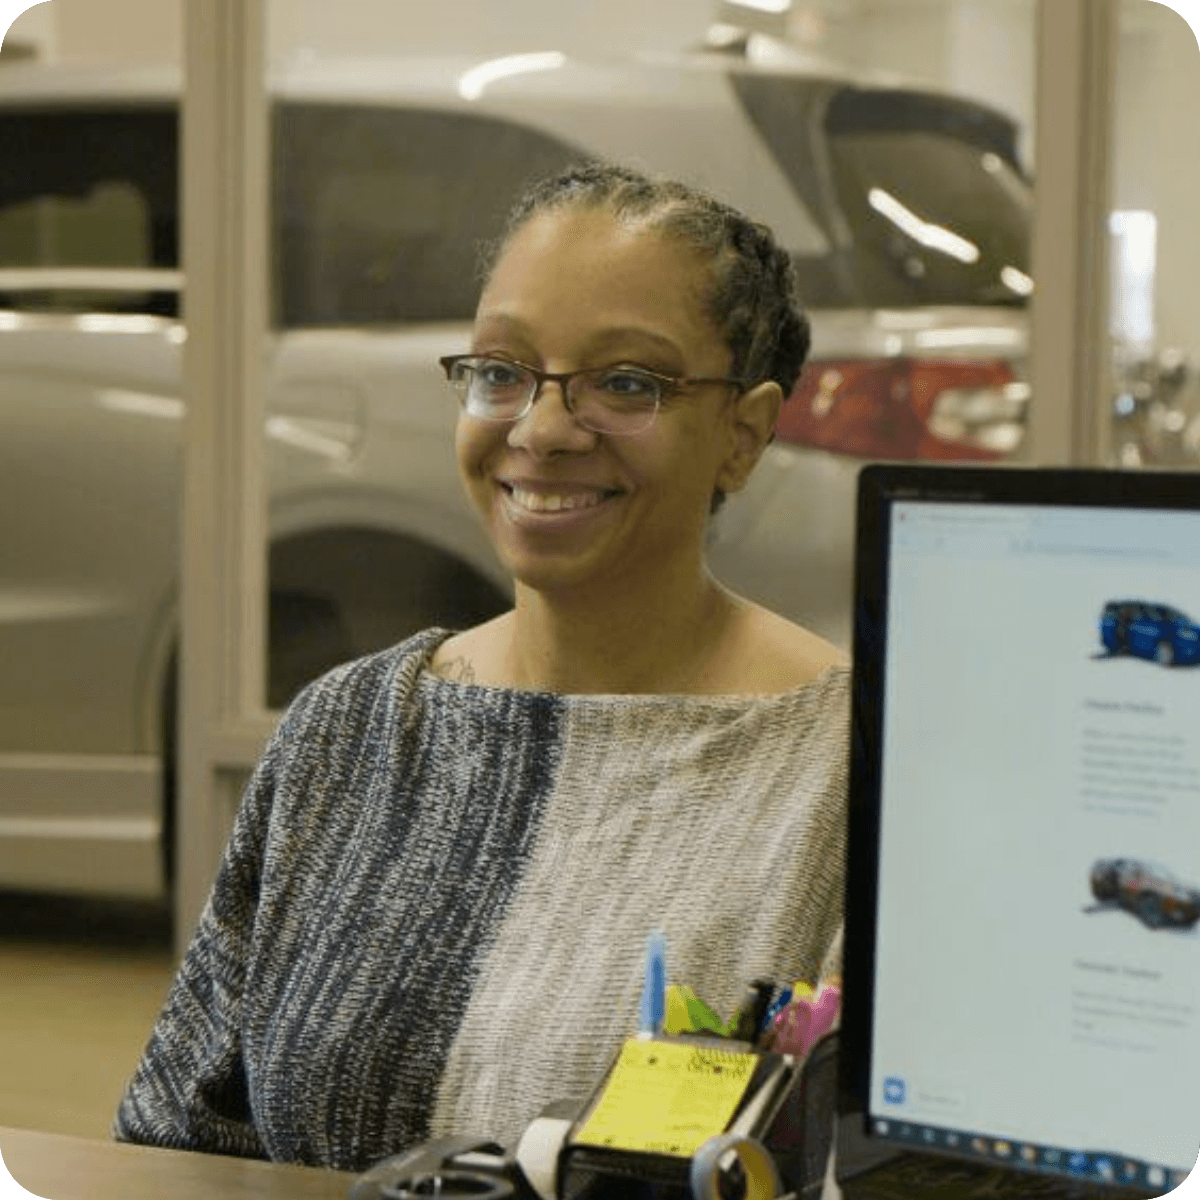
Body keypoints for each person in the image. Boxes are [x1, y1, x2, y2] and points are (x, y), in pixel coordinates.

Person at [114, 162, 850, 1171]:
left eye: (626, 383)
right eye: (503, 371)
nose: (542, 430)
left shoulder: (841, 769)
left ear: (744, 433)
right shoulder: (353, 730)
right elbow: (178, 1142)